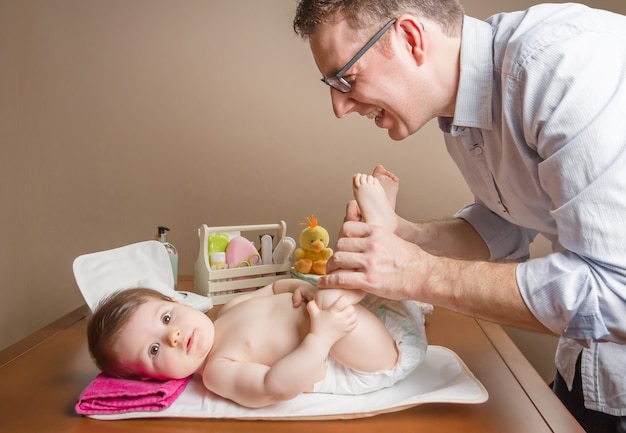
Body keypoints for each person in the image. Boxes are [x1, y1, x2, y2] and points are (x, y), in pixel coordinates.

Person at [292, 1, 626, 432]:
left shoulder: (561, 69)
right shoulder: (464, 113)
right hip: (590, 368)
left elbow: (615, 290)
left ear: (410, 39)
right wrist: (406, 237)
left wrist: (418, 273)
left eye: (346, 78)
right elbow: (508, 223)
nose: (339, 107)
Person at [86, 177, 426, 409]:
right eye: (155, 348)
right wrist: (320, 339)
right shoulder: (218, 371)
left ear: (178, 301)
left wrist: (298, 289)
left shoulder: (229, 308)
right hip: (372, 359)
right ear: (151, 379)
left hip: (375, 318)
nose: (173, 335)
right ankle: (379, 228)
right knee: (329, 295)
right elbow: (274, 386)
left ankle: (379, 230)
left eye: (165, 318)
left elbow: (277, 286)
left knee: (321, 284)